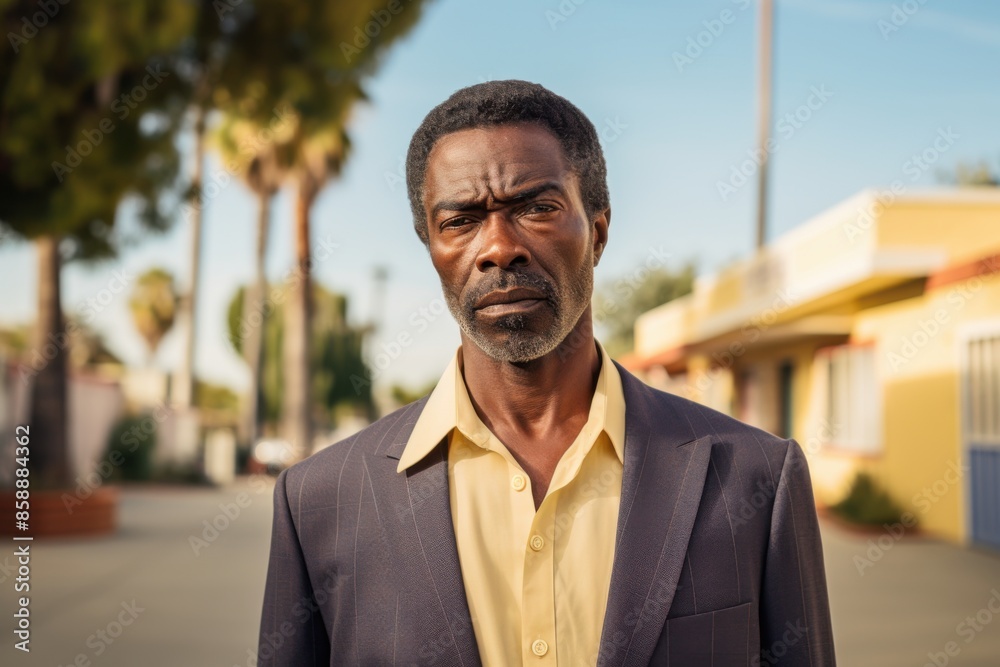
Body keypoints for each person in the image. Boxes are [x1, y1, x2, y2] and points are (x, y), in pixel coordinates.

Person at [258, 80, 836, 666]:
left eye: (536, 208)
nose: (498, 247)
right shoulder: (319, 502)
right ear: (430, 246)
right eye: (460, 220)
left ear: (599, 233)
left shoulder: (754, 477)